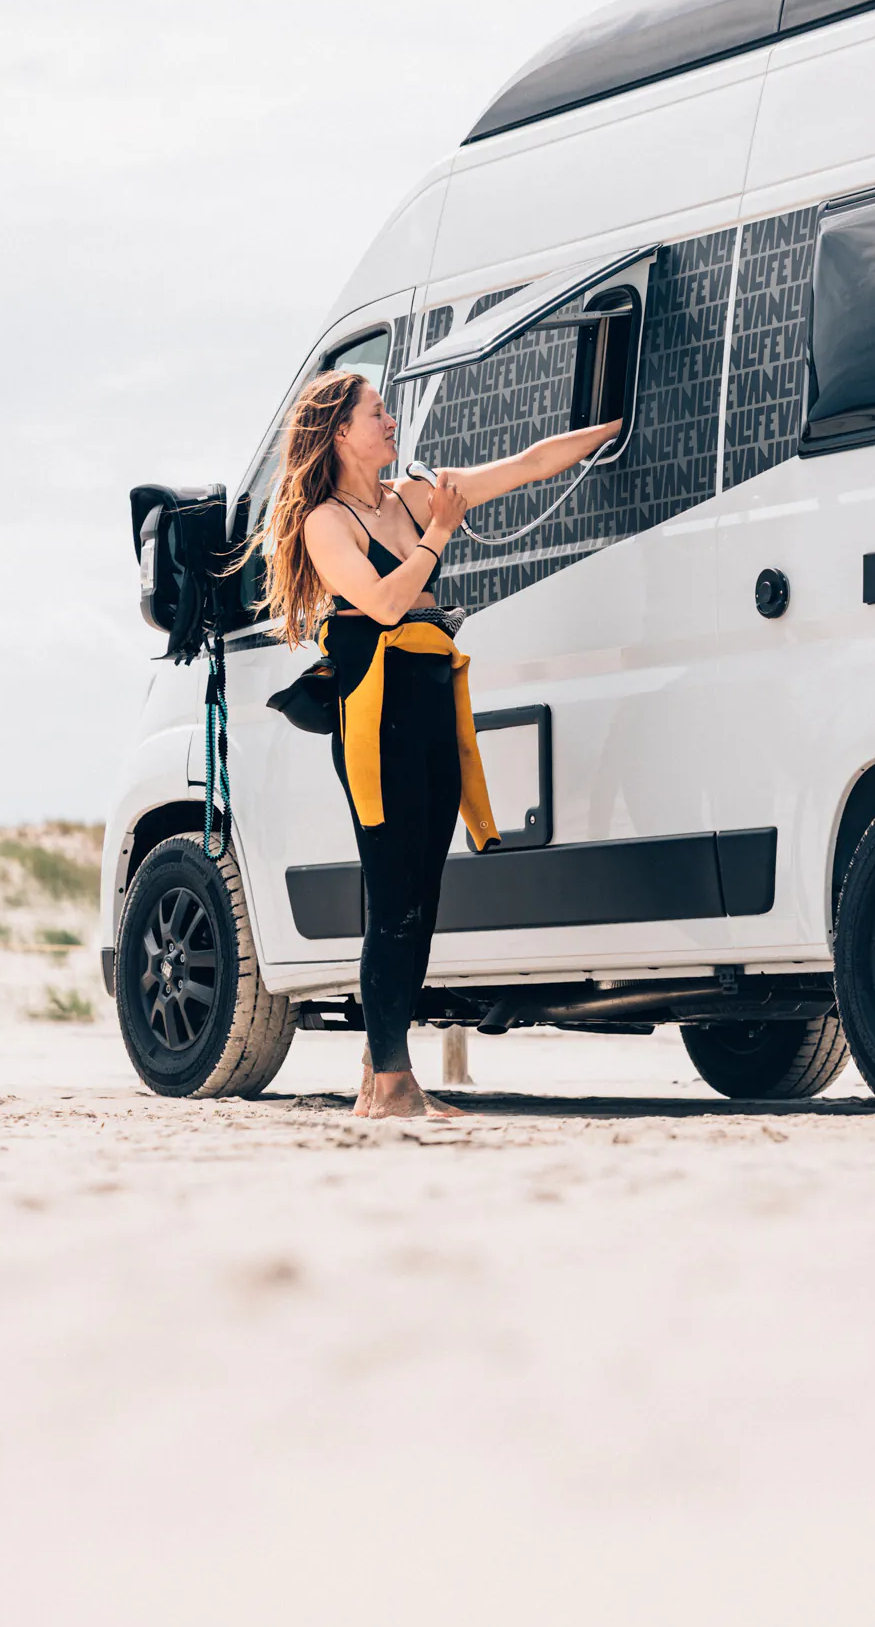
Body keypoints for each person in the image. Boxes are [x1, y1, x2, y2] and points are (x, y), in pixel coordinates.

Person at [257, 368, 620, 1118]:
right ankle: (392, 1085)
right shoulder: (327, 522)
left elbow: (526, 466)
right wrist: (441, 533)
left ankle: (382, 1074)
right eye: (377, 412)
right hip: (375, 717)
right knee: (393, 900)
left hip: (429, 707)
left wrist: (616, 426)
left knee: (421, 901)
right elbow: (385, 603)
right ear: (340, 432)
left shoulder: (412, 496)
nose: (391, 421)